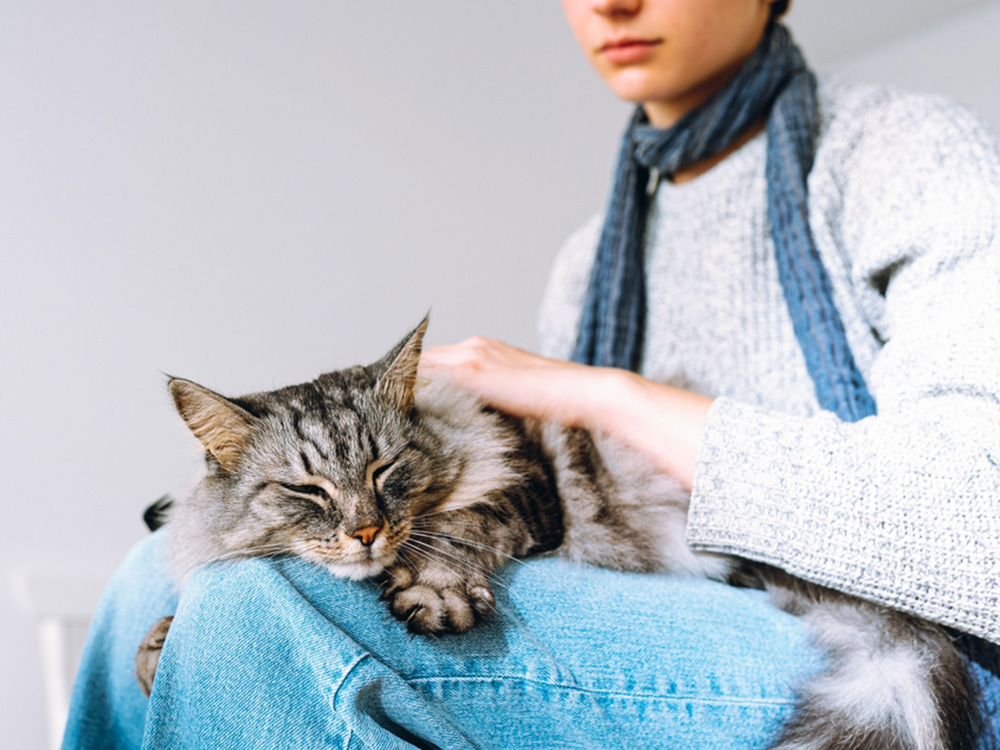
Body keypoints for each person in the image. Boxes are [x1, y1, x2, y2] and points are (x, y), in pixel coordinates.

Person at [64, 0, 1000, 748]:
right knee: (152, 576)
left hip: (922, 655)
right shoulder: (594, 258)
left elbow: (985, 527)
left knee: (261, 606)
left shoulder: (904, 155)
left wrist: (604, 394)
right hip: (681, 597)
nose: (612, 3)